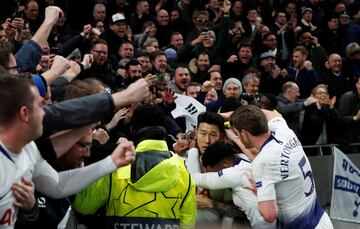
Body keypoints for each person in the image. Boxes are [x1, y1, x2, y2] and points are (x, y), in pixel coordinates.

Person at [0, 75, 136, 229]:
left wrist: (111, 162)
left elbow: (58, 185)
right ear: (25, 113)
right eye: (40, 106)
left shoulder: (29, 149)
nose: (46, 112)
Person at [72, 104, 197, 229]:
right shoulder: (184, 171)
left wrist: (95, 146)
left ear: (132, 130)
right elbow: (188, 223)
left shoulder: (115, 165)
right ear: (164, 131)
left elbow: (83, 206)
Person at [230, 105, 333, 228]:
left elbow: (269, 215)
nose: (237, 138)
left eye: (237, 134)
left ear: (244, 133)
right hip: (322, 220)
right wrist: (241, 113)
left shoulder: (262, 163)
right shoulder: (283, 131)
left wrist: (259, 193)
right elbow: (274, 115)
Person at [187, 141, 276, 228]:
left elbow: (194, 177)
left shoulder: (231, 175)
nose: (209, 174)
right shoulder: (242, 157)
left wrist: (193, 150)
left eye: (212, 173)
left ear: (225, 166)